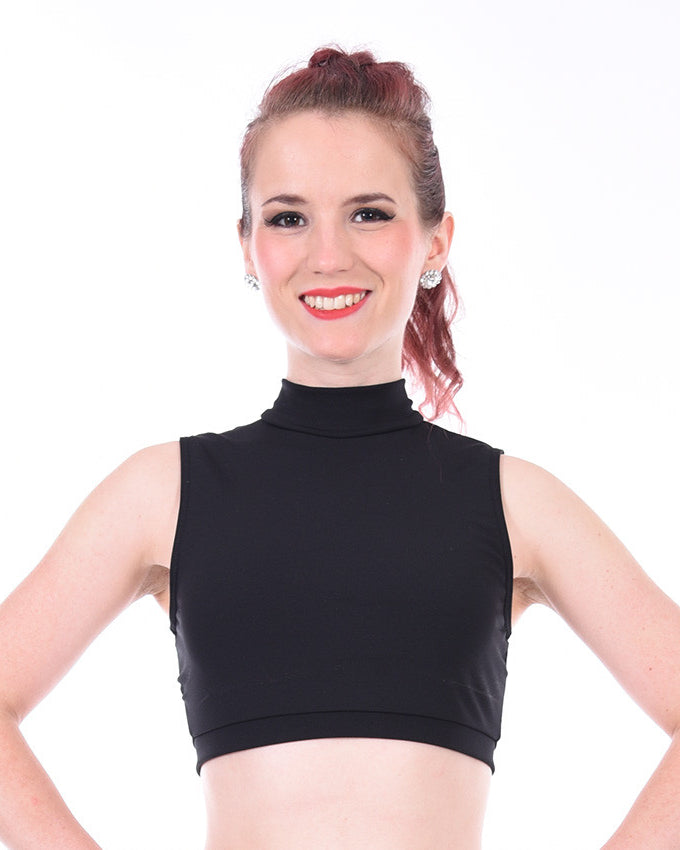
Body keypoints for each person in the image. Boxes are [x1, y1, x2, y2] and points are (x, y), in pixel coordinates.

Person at [0, 45, 678, 850]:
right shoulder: (166, 492)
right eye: (289, 217)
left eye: (370, 213)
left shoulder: (511, 501)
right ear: (247, 244)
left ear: (434, 240)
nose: (328, 255)